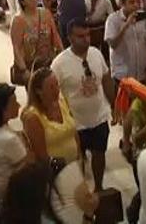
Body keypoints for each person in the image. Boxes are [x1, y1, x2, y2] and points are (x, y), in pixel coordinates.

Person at [51, 18, 115, 191]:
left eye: (88, 35)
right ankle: (80, 192)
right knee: (77, 160)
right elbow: (52, 93)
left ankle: (99, 188)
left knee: (99, 154)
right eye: (80, 36)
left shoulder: (96, 53)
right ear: (70, 38)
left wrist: (114, 106)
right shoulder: (59, 63)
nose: (86, 39)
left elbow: (107, 79)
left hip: (99, 117)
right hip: (75, 123)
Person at [21, 68, 80, 164]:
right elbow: (41, 155)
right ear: (39, 91)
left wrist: (79, 155)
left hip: (74, 166)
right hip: (53, 170)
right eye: (51, 87)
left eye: (57, 84)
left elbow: (74, 133)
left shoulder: (62, 101)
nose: (56, 90)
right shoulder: (32, 117)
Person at [9, 0, 62, 86]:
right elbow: (17, 48)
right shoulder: (18, 20)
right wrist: (24, 70)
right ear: (22, 2)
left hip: (47, 62)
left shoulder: (46, 13)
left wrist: (61, 54)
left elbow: (55, 36)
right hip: (30, 65)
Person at [106, 0, 146, 82]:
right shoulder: (113, 20)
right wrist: (126, 25)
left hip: (142, 73)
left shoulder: (143, 17)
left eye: (137, 1)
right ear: (123, 4)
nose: (136, 5)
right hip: (123, 75)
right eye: (131, 2)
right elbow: (112, 44)